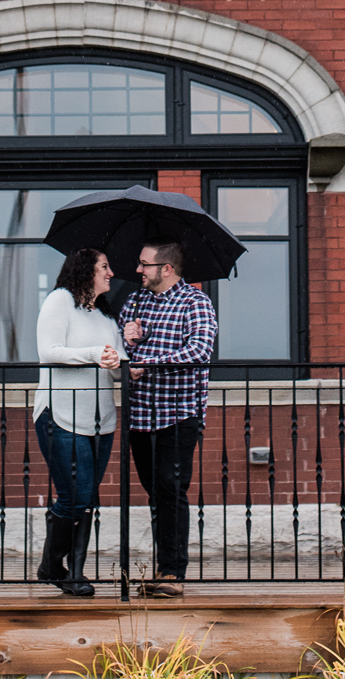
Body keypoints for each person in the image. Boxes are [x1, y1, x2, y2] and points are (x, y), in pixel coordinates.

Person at [122, 239, 217, 598]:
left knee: (171, 489)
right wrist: (128, 339)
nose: (138, 270)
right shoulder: (135, 301)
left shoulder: (195, 302)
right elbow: (120, 349)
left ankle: (173, 572)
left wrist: (150, 361)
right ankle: (164, 567)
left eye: (145, 264)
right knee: (156, 492)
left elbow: (200, 350)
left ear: (166, 268)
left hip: (178, 414)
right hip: (141, 415)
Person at [34, 247, 124, 597]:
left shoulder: (105, 316)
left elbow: (117, 370)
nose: (111, 272)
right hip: (61, 414)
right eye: (105, 266)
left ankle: (74, 571)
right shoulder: (59, 301)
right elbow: (49, 351)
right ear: (86, 270)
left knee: (84, 497)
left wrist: (124, 348)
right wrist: (93, 355)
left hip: (100, 420)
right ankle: (55, 566)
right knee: (74, 495)